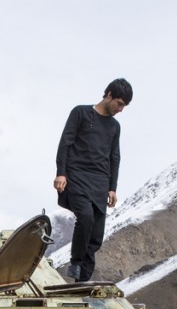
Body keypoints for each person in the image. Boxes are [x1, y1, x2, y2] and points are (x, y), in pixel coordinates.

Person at [54, 78, 132, 282]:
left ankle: (82, 282)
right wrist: (61, 172)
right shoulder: (80, 113)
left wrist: (112, 188)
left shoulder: (115, 127)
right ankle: (76, 263)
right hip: (76, 177)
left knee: (96, 235)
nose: (121, 109)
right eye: (120, 103)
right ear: (109, 95)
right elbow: (65, 143)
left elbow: (115, 157)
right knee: (86, 217)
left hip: (100, 183)